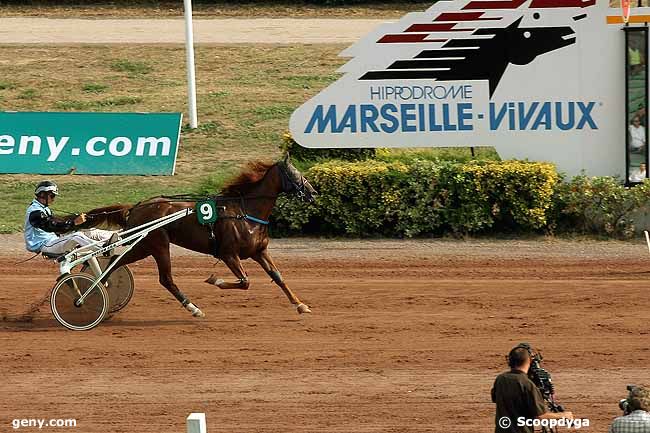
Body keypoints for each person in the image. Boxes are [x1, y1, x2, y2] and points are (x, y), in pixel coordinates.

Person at [491, 344, 573, 433]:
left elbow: (496, 399)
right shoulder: (527, 384)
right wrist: (564, 416)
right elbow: (540, 416)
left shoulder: (500, 379)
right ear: (529, 361)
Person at [24, 180, 114, 256]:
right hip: (45, 245)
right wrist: (74, 222)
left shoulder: (42, 208)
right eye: (52, 196)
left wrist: (75, 221)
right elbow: (51, 226)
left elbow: (56, 225)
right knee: (76, 236)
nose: (54, 199)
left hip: (53, 241)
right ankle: (103, 248)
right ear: (42, 194)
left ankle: (117, 236)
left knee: (88, 232)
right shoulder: (35, 212)